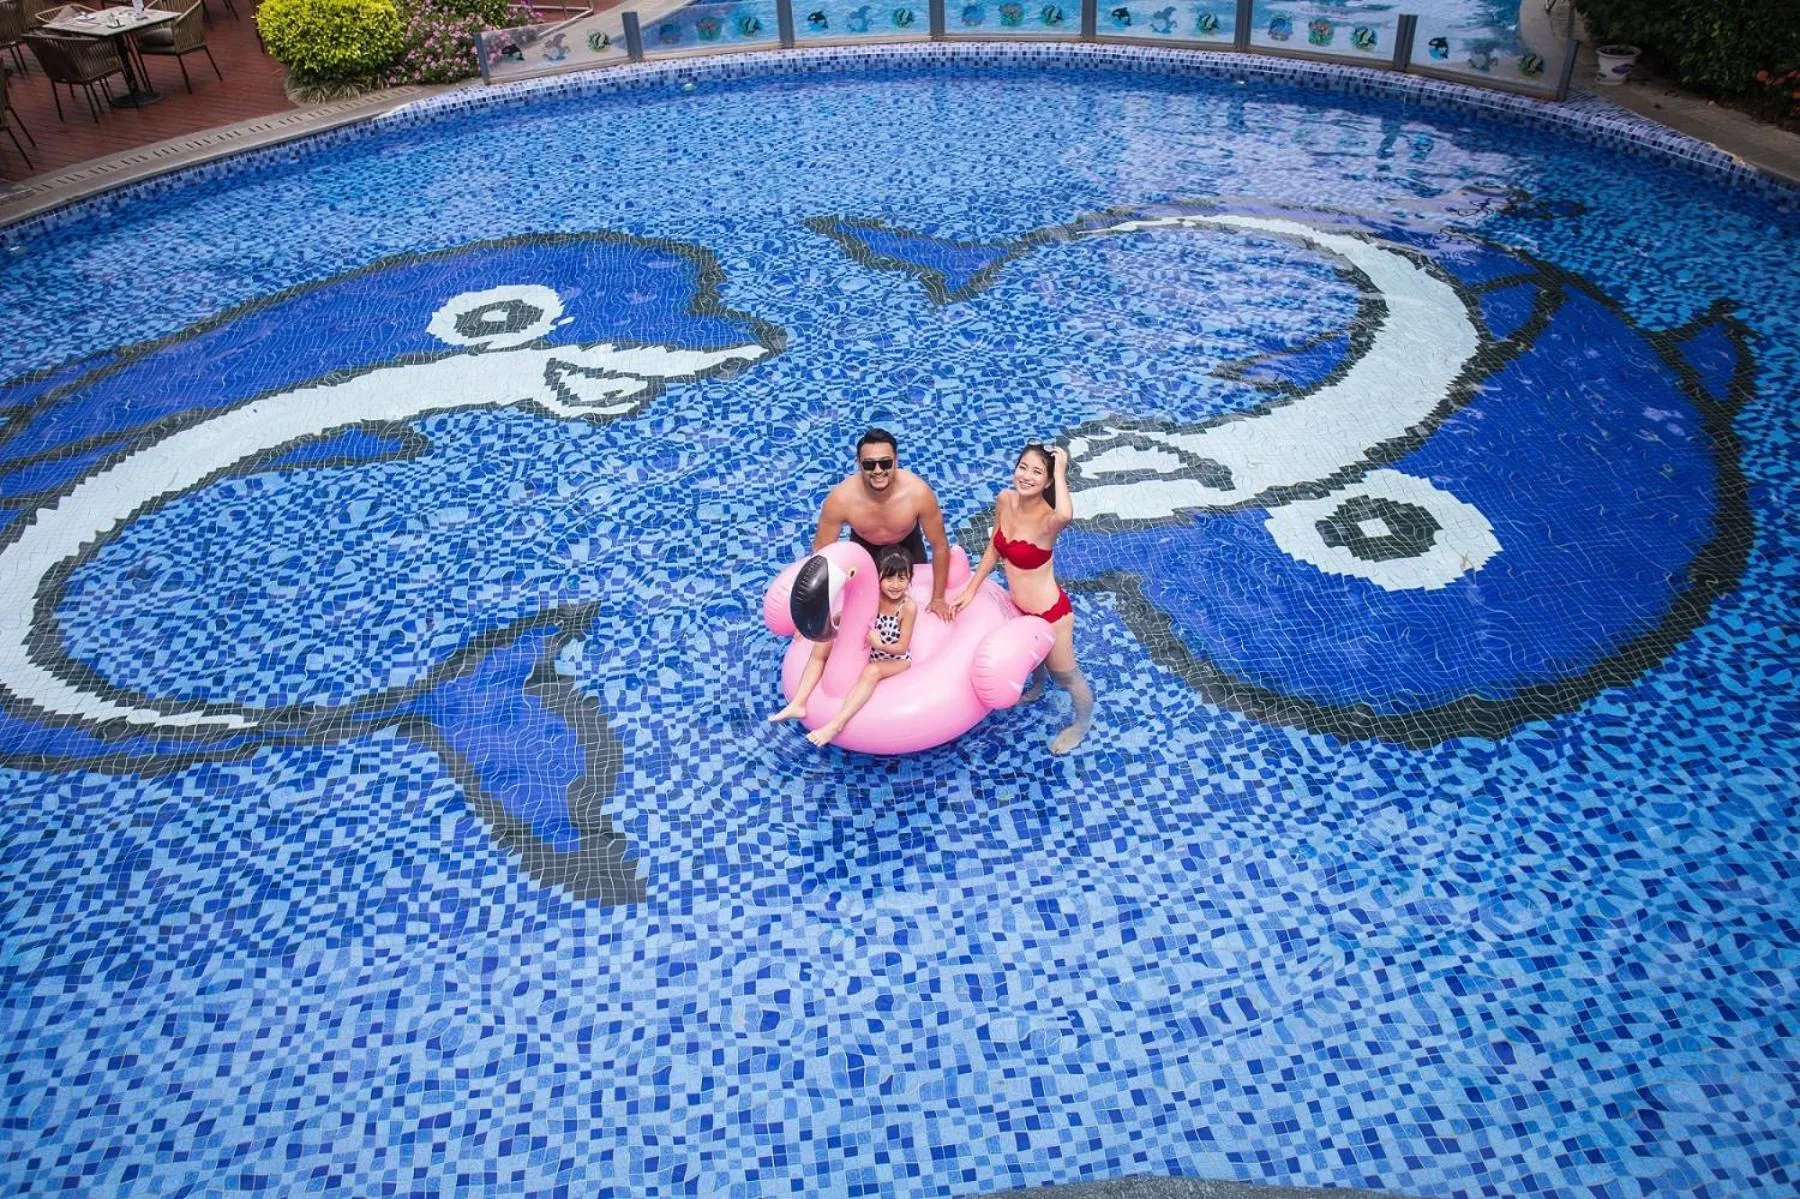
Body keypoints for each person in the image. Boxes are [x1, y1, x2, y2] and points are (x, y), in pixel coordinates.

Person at [771, 428, 953, 724]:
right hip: (864, 553)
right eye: (869, 464)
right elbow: (822, 557)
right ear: (859, 463)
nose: (878, 471)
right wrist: (814, 618)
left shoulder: (917, 493)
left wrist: (938, 597)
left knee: (908, 618)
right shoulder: (842, 499)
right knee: (861, 621)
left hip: (906, 550)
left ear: (896, 460)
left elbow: (940, 546)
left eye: (885, 463)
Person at [951, 443, 1093, 754]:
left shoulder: (1049, 520)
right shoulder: (1005, 500)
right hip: (1019, 609)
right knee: (1032, 663)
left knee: (1066, 676)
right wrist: (972, 588)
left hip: (1050, 615)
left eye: (1037, 472)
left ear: (1047, 481)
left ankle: (1081, 725)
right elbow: (994, 548)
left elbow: (1067, 513)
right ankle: (1038, 687)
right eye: (1023, 467)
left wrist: (1060, 467)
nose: (1026, 476)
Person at [803, 550, 917, 747]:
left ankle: (837, 724)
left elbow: (902, 647)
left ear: (910, 580)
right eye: (889, 578)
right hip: (870, 651)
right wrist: (831, 619)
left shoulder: (908, 607)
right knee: (824, 644)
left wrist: (880, 645)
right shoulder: (872, 597)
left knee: (872, 671)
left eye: (902, 578)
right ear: (878, 577)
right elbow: (851, 613)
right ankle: (799, 700)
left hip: (896, 658)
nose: (896, 585)